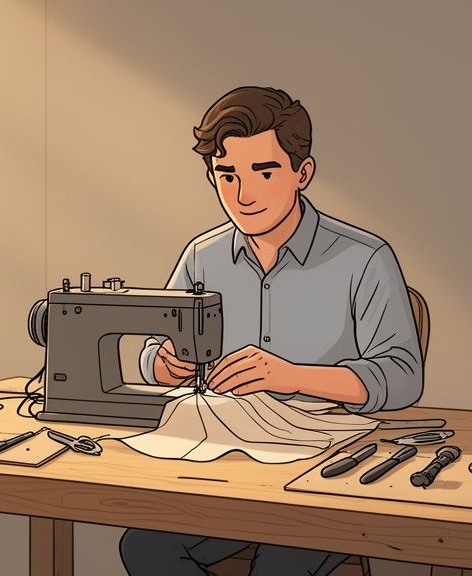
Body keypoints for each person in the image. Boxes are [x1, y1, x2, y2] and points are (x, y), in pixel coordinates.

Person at [120, 86, 423, 576]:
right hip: (226, 464)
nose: (244, 195)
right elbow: (153, 341)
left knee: (280, 563)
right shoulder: (202, 256)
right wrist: (159, 363)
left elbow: (403, 376)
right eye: (227, 175)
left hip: (324, 470)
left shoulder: (364, 258)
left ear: (302, 174)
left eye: (264, 172)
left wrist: (292, 376)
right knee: (144, 547)